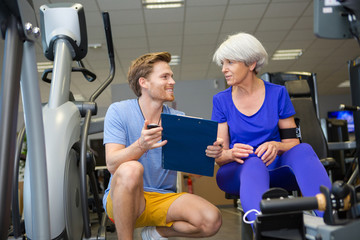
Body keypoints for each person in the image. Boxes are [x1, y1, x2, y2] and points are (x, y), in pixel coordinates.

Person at [211, 32, 332, 226]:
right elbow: (220, 157)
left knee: (304, 150)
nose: (224, 69)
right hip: (238, 170)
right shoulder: (221, 101)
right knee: (252, 162)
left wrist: (276, 145)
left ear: (251, 64)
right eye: (222, 64)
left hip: (275, 167)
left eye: (230, 63)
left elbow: (292, 142)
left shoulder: (277, 94)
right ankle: (264, 230)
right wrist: (231, 153)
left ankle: (329, 219)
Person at [103, 52, 223, 240]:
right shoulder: (119, 111)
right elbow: (112, 164)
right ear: (144, 82)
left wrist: (208, 154)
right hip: (123, 199)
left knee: (212, 220)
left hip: (162, 198)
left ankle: (155, 233)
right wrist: (141, 145)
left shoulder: (178, 118)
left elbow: (196, 174)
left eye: (172, 76)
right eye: (165, 76)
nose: (172, 81)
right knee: (131, 169)